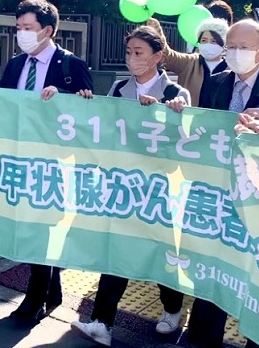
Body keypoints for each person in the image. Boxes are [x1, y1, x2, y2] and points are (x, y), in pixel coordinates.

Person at [70, 19, 190, 346]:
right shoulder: (118, 89)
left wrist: (168, 113)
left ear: (158, 55)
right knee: (117, 252)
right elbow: (104, 128)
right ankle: (101, 322)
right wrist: (84, 104)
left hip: (159, 190)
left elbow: (183, 142)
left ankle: (173, 308)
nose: (132, 57)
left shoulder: (175, 94)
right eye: (129, 51)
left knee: (159, 254)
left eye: (139, 51)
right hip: (122, 187)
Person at [0, 0, 94, 322]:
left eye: (28, 28)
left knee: (43, 225)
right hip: (21, 158)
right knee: (28, 222)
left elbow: (89, 116)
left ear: (47, 30)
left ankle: (35, 296)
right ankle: (52, 286)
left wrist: (66, 101)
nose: (22, 34)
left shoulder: (71, 66)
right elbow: (3, 106)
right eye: (18, 28)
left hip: (55, 161)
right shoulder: (16, 65)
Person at [171, 19, 259, 348]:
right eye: (229, 46)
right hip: (216, 190)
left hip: (257, 196)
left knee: (252, 274)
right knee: (212, 265)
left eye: (243, 48)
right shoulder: (216, 80)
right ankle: (203, 336)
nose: (234, 53)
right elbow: (205, 128)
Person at [160, 18, 228, 107]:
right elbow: (168, 55)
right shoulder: (189, 62)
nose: (208, 44)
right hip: (189, 118)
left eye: (213, 41)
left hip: (219, 119)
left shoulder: (232, 68)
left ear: (224, 43)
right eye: (203, 40)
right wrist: (158, 33)